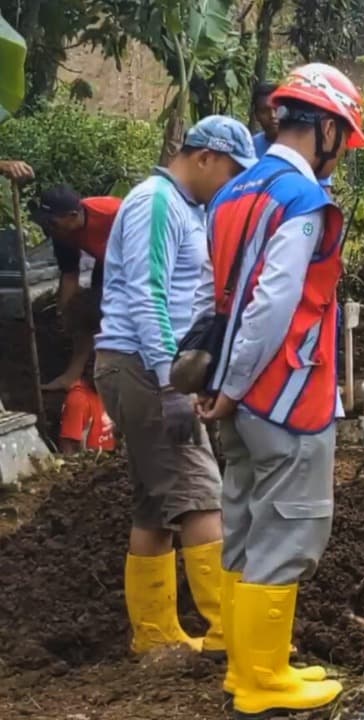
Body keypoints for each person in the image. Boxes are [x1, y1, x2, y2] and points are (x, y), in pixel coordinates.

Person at [197, 63, 364, 716]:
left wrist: (217, 382)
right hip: (284, 396)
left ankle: (248, 670)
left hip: (236, 398)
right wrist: (239, 385)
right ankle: (265, 679)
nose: (341, 154)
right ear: (324, 128)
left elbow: (213, 298)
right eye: (342, 138)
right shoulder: (302, 202)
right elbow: (272, 305)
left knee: (244, 528)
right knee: (288, 531)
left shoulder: (234, 193)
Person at [93, 116, 257, 659]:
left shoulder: (187, 207)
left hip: (137, 365)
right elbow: (148, 295)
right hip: (144, 367)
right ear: (206, 156)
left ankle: (157, 636)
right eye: (231, 170)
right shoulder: (156, 202)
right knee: (199, 494)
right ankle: (227, 634)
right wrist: (170, 382)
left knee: (153, 507)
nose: (231, 183)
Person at [33, 184, 122, 391]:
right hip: (107, 261)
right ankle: (72, 376)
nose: (49, 229)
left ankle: (116, 372)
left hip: (140, 261)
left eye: (52, 222)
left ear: (73, 216)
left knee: (112, 313)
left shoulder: (114, 214)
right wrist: (65, 313)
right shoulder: (62, 232)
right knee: (82, 312)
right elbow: (70, 274)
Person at [58, 358, 115, 454]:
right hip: (92, 462)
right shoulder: (78, 399)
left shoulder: (104, 391)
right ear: (91, 371)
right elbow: (68, 447)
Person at [250, 82, 279, 158]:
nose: (273, 116)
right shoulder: (250, 148)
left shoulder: (302, 146)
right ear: (256, 115)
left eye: (276, 109)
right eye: (264, 111)